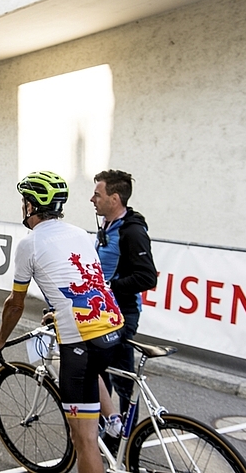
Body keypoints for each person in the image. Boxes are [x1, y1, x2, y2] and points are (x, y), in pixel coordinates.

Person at [0, 171, 123, 473]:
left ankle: (105, 437)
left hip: (82, 340)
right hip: (112, 327)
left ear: (32, 206)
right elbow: (85, 283)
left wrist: (0, 339)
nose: (23, 206)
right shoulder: (79, 233)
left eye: (24, 201)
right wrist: (57, 313)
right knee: (92, 373)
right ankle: (113, 423)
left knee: (83, 440)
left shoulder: (29, 244)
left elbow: (15, 304)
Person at [91, 170, 157, 418]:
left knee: (121, 380)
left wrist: (109, 286)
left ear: (114, 198)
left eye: (97, 194)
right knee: (100, 373)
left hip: (121, 314)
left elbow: (147, 277)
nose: (92, 199)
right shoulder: (108, 225)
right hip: (102, 312)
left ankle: (126, 441)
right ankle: (111, 430)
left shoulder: (132, 231)